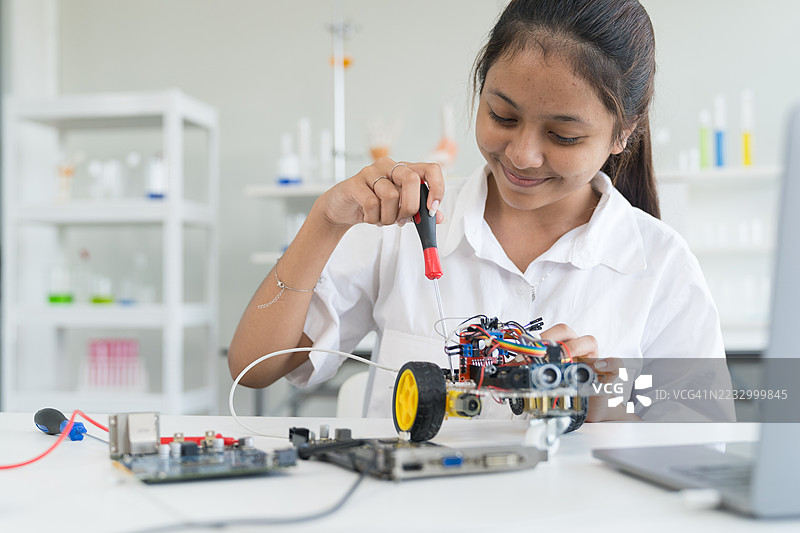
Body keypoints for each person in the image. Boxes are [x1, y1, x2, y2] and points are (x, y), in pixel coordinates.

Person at [229, 0, 734, 423]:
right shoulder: (408, 224)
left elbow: (704, 442)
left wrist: (612, 409)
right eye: (502, 115)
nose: (522, 155)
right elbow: (255, 367)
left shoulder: (661, 264)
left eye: (563, 136)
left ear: (623, 133)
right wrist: (325, 221)